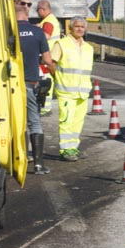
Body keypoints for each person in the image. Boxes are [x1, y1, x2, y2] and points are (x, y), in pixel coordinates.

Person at [15, 0, 55, 174]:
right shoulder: (37, 32)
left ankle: (19, 160)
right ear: (28, 11)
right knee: (34, 122)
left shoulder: (6, 31)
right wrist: (56, 74)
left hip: (10, 86)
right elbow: (47, 60)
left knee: (16, 123)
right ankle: (38, 164)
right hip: (30, 83)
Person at [49, 17, 94, 161]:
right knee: (66, 120)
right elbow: (51, 63)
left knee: (77, 121)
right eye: (77, 26)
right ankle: (66, 149)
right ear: (70, 28)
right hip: (66, 91)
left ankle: (73, 147)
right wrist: (58, 79)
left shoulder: (88, 48)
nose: (80, 29)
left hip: (83, 91)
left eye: (82, 26)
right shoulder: (61, 44)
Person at [35, 0, 61, 115]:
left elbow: (46, 36)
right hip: (50, 55)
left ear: (43, 9)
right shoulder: (49, 19)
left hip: (47, 56)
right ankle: (46, 107)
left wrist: (36, 34)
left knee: (46, 81)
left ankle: (46, 108)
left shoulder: (48, 21)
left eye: (38, 10)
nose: (36, 12)